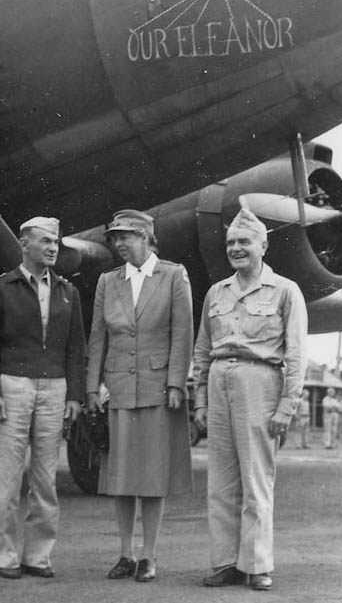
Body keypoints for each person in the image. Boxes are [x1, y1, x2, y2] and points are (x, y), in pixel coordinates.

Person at [192, 207, 307, 592]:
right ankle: (225, 563)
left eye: (244, 241)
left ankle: (256, 564)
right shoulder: (216, 292)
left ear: (264, 244)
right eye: (230, 243)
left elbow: (295, 355)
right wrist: (200, 402)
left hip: (260, 383)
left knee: (257, 480)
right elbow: (203, 349)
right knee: (221, 482)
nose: (236, 249)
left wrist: (286, 407)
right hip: (219, 382)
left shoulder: (286, 291)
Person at [86, 209, 193, 583]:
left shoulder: (173, 275)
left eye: (126, 236)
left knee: (151, 477)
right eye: (114, 237)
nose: (119, 244)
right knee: (120, 477)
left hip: (157, 388)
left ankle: (149, 555)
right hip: (117, 389)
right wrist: (90, 387)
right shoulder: (107, 281)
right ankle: (125, 553)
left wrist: (177, 383)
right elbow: (98, 336)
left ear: (147, 237)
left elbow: (183, 332)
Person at [0, 215, 86, 580]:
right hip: (13, 387)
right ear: (24, 244)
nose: (53, 248)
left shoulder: (68, 292)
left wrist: (74, 394)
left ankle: (38, 556)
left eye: (56, 242)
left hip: (54, 388)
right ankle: (5, 556)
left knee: (45, 478)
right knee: (8, 479)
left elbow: (76, 348)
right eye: (45, 241)